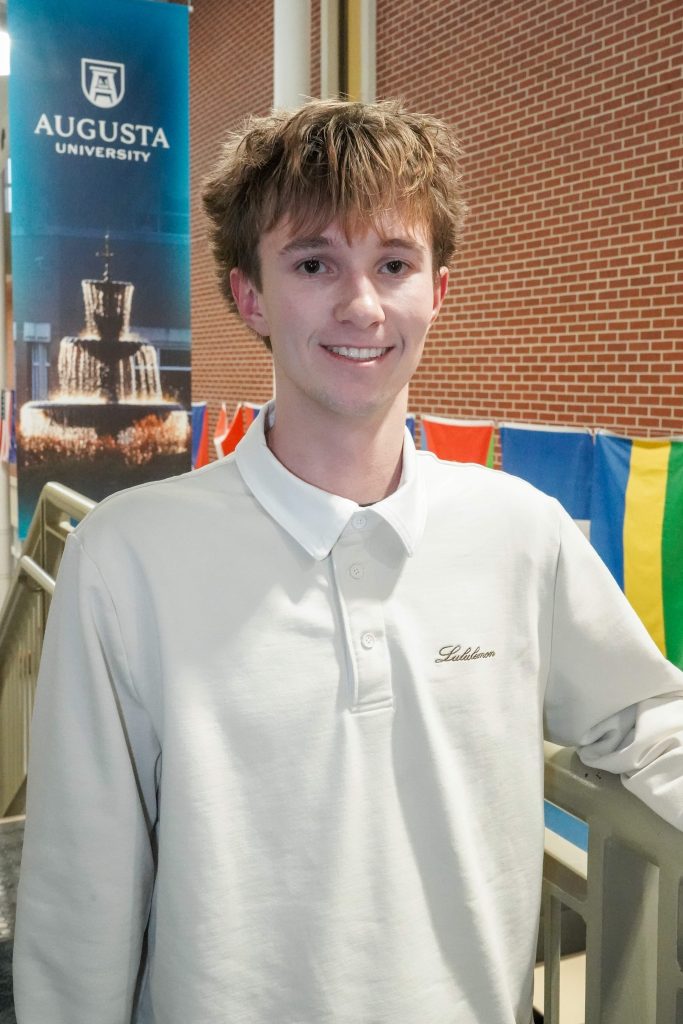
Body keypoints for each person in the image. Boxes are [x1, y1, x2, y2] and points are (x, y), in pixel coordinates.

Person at [12, 99, 683, 1024]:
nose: (361, 305)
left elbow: (646, 720)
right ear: (250, 294)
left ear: (437, 291)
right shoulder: (127, 557)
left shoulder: (519, 533)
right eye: (313, 263)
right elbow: (80, 886)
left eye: (393, 265)